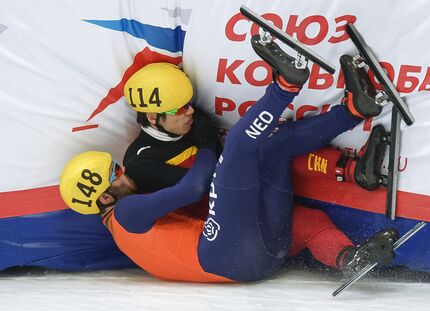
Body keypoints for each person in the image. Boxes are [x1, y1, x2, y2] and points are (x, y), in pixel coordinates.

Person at [59, 35, 397, 282]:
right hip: (227, 252)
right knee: (239, 144)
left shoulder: (125, 228)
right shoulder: (126, 211)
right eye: (116, 173)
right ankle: (285, 86)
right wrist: (207, 143)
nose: (123, 171)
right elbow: (194, 188)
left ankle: (347, 256)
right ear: (104, 197)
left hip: (256, 260)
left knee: (299, 205)